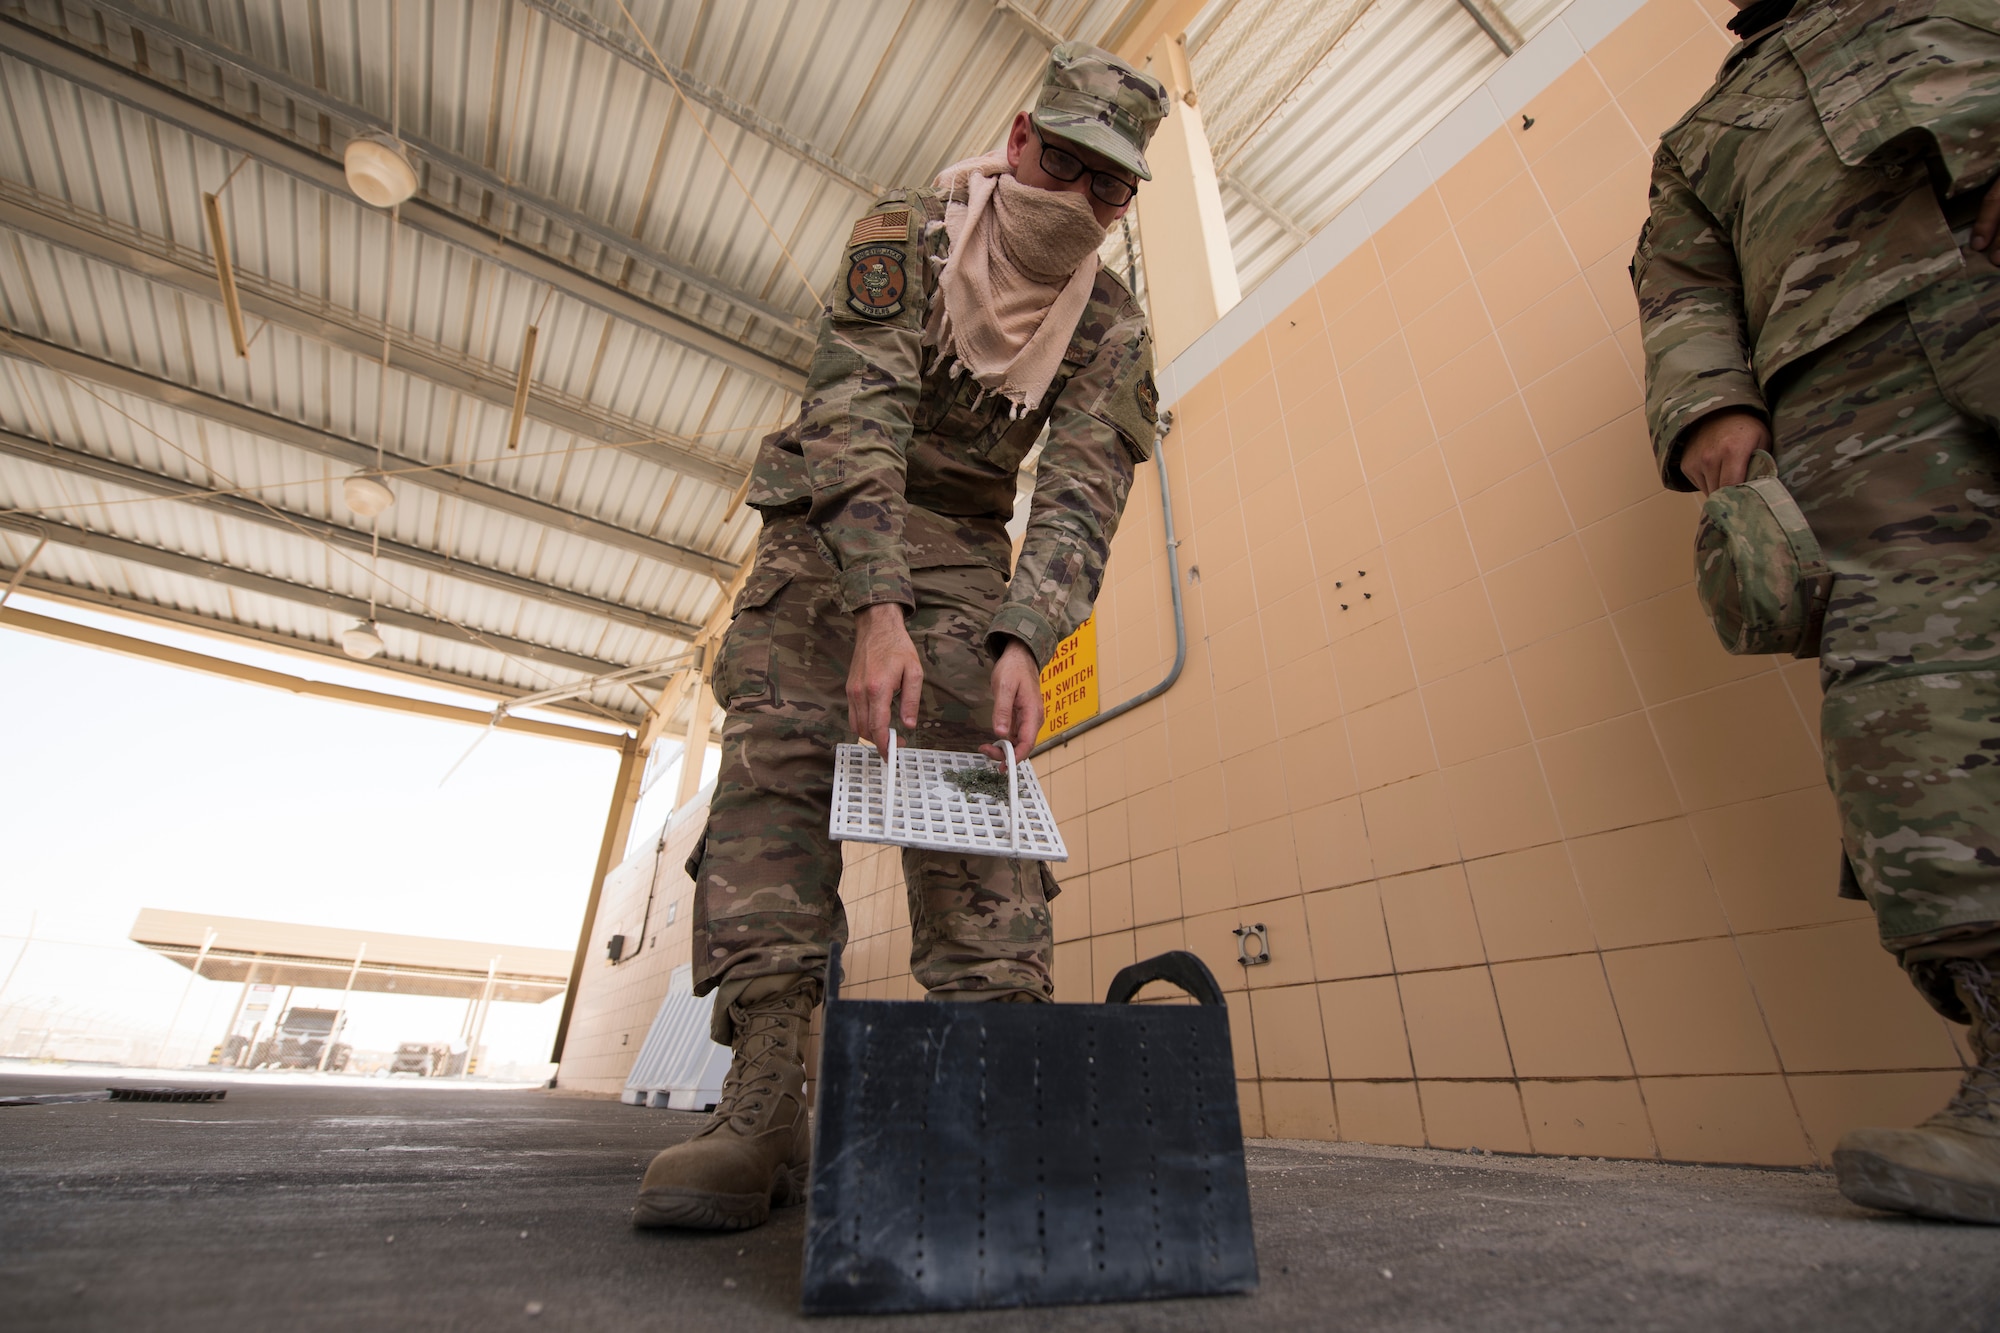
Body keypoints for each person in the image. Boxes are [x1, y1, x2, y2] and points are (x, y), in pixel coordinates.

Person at [630, 42, 1170, 1232]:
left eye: (1108, 188)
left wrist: (1025, 637)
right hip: (826, 537)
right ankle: (764, 1106)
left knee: (981, 802)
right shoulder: (905, 240)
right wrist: (874, 602)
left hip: (968, 567)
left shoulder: (1112, 328)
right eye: (1065, 164)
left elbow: (1081, 493)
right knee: (769, 788)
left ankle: (991, 1089)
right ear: (1020, 140)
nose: (1079, 200)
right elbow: (855, 410)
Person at [1633, 0, 2000, 1221]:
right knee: (1913, 708)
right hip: (1846, 403)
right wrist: (1712, 426)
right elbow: (1679, 285)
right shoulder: (1700, 136)